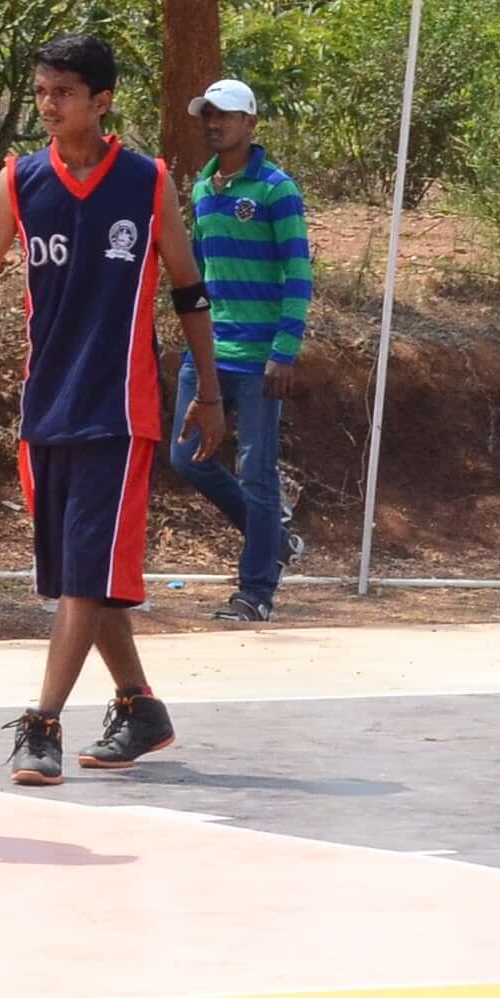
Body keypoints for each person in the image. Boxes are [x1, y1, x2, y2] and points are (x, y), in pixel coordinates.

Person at [0, 33, 224, 789]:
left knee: (84, 579)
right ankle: (140, 706)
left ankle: (43, 724)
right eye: (40, 91)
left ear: (102, 101)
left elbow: (189, 289)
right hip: (46, 406)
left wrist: (210, 391)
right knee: (78, 577)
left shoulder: (147, 181)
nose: (48, 105)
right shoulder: (20, 181)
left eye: (63, 92)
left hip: (120, 411)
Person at [175, 77, 310, 622]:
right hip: (209, 351)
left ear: (249, 123)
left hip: (259, 357)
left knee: (257, 471)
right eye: (207, 114)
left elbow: (298, 272)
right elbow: (198, 273)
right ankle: (273, 538)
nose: (214, 123)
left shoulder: (277, 189)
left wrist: (285, 348)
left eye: (225, 115)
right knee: (186, 458)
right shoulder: (202, 190)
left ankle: (256, 592)